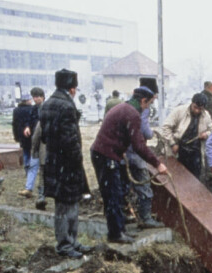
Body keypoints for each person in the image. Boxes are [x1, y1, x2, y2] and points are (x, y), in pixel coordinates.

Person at [90, 85, 168, 244]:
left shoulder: (123, 108)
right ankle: (116, 233)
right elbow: (139, 145)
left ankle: (120, 227)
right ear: (143, 100)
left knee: (120, 189)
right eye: (149, 103)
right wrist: (157, 164)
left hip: (106, 153)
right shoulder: (132, 114)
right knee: (113, 195)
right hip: (106, 156)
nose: (148, 107)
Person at [39, 69, 93, 258]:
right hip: (67, 164)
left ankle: (71, 241)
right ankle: (65, 244)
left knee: (67, 203)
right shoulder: (67, 107)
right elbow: (71, 141)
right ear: (71, 89)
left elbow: (44, 137)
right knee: (67, 206)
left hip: (53, 161)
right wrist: (77, 160)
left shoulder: (46, 105)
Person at [124, 77, 165, 229]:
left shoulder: (129, 103)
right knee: (144, 184)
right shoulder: (143, 107)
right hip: (135, 151)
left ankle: (126, 213)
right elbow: (144, 131)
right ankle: (146, 218)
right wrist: (151, 134)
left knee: (126, 184)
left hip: (124, 151)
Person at [158, 92, 212, 178]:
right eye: (195, 107)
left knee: (194, 179)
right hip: (178, 150)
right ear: (192, 103)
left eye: (200, 109)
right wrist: (172, 143)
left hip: (195, 154)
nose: (197, 111)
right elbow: (166, 127)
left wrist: (206, 134)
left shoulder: (206, 116)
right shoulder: (179, 111)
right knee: (176, 177)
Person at [12, 92, 39, 198]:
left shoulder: (16, 110)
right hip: (31, 135)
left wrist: (16, 136)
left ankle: (27, 170)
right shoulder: (32, 109)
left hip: (21, 136)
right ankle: (30, 174)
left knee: (26, 154)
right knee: (32, 154)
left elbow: (14, 124)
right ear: (28, 100)